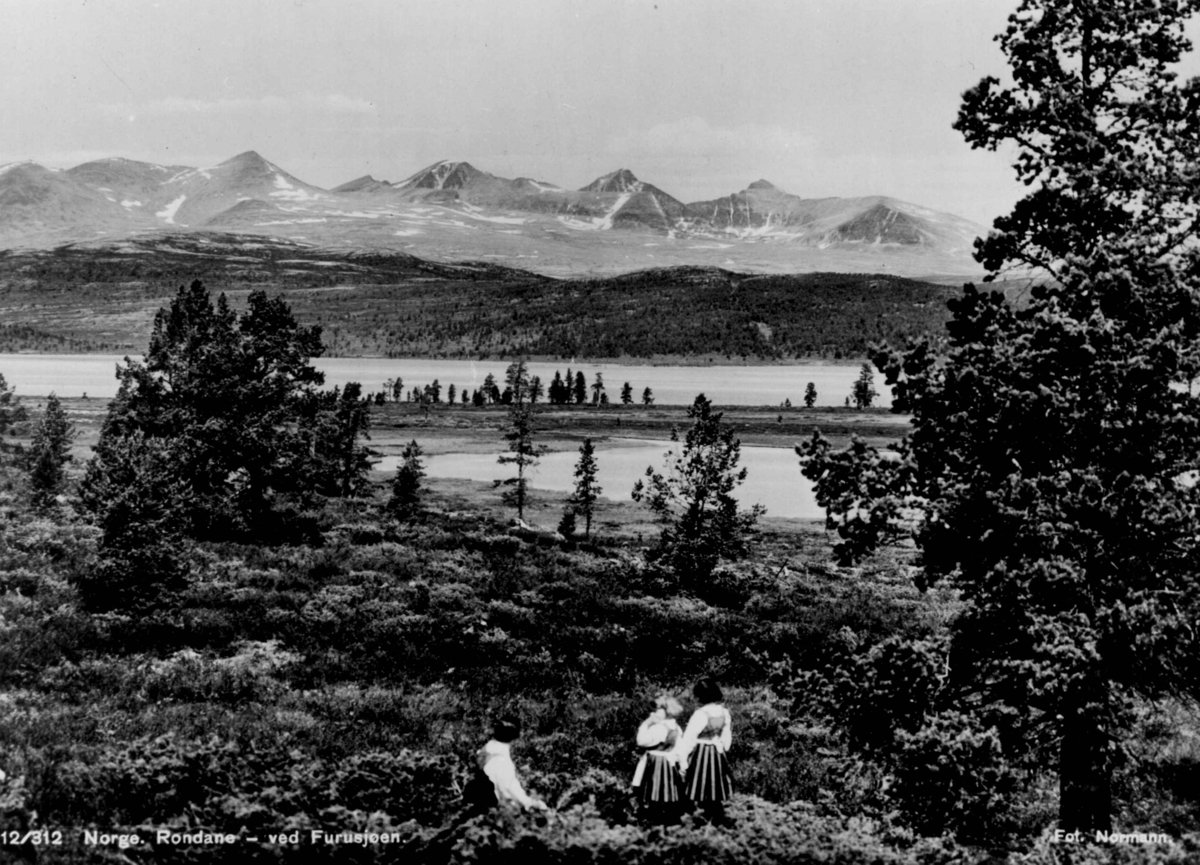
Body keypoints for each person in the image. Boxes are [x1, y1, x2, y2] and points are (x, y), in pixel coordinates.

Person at [463, 716, 547, 815]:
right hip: (495, 811)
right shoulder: (502, 761)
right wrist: (530, 803)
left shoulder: (486, 752)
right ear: (515, 736)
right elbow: (507, 789)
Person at [679, 678, 733, 826]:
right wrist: (722, 749)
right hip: (716, 753)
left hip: (701, 753)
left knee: (697, 787)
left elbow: (688, 739)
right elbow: (726, 737)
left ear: (700, 696)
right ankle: (715, 818)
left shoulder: (700, 714)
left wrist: (683, 761)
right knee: (714, 787)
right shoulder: (724, 712)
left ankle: (700, 819)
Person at [630, 695, 686, 824]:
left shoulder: (658, 728)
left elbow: (641, 741)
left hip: (654, 762)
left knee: (651, 790)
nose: (653, 713)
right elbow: (680, 748)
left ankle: (651, 818)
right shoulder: (676, 727)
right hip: (669, 762)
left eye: (656, 710)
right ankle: (667, 817)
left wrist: (646, 723)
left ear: (665, 710)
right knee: (665, 790)